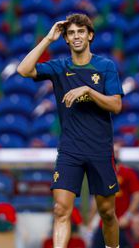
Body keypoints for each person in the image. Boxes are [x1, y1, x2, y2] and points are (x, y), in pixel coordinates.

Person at [17, 13, 123, 248]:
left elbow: (116, 105)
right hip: (70, 150)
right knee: (60, 210)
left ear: (90, 35)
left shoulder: (105, 66)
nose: (76, 37)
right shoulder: (59, 67)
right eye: (71, 33)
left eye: (80, 32)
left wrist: (88, 91)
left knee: (106, 212)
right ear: (66, 38)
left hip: (99, 149)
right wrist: (48, 38)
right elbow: (23, 70)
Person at [89, 144, 139, 248]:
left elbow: (137, 195)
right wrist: (91, 221)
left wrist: (128, 216)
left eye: (117, 152)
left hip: (121, 224)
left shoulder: (128, 173)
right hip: (103, 224)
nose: (114, 154)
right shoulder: (101, 174)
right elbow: (96, 198)